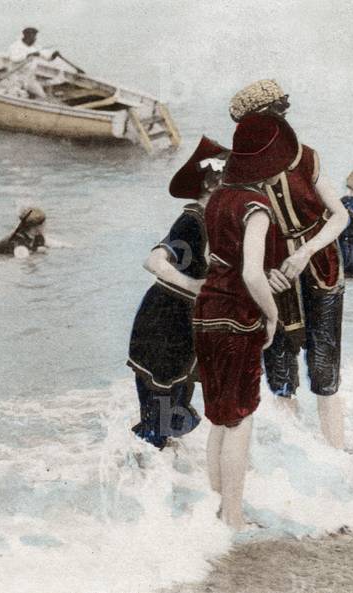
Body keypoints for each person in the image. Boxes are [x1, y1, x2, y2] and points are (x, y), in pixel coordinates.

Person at [228, 80, 350, 449]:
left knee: (325, 365)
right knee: (280, 370)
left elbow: (340, 215)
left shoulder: (306, 157)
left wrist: (304, 252)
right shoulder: (234, 172)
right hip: (271, 275)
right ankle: (297, 455)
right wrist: (263, 275)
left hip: (321, 264)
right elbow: (229, 242)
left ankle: (336, 451)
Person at [193, 113, 288, 530]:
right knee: (240, 419)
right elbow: (251, 272)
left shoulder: (217, 198)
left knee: (219, 417)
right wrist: (273, 314)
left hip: (206, 312)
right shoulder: (257, 205)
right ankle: (233, 517)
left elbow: (215, 258)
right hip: (237, 316)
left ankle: (218, 509)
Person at [126, 136, 227, 449]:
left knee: (174, 407)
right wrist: (194, 286)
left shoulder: (215, 222)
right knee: (160, 413)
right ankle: (144, 465)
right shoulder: (192, 220)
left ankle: (159, 467)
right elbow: (154, 260)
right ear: (211, 185)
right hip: (164, 321)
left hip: (184, 324)